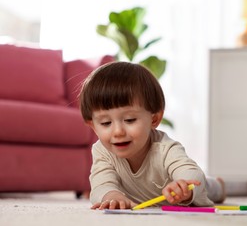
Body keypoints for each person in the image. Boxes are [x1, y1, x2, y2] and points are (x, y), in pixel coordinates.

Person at [79, 61, 225, 210]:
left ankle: (217, 185)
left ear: (154, 119)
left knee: (205, 186)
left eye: (130, 120)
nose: (118, 132)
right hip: (138, 196)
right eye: (105, 123)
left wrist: (183, 184)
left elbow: (191, 172)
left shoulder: (164, 148)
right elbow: (101, 183)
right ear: (93, 126)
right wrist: (110, 196)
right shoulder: (102, 151)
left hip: (188, 192)